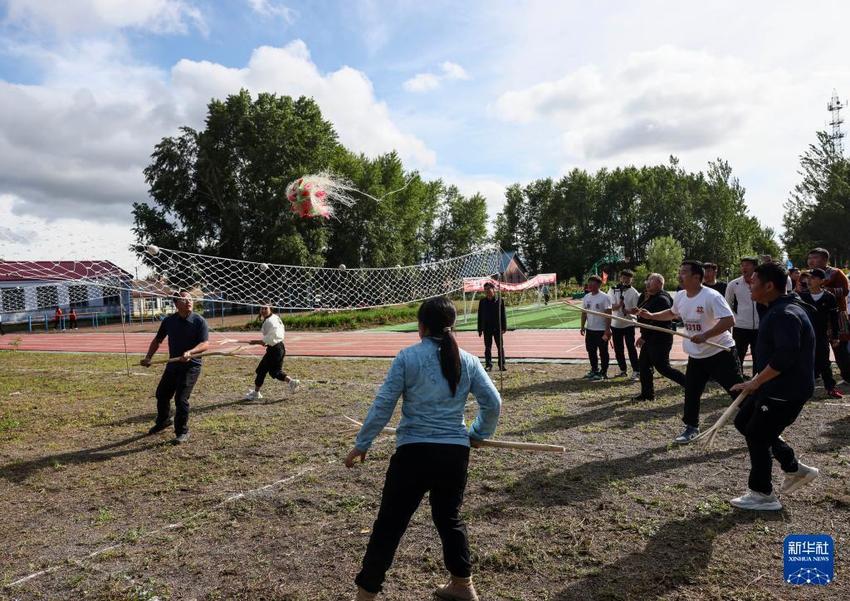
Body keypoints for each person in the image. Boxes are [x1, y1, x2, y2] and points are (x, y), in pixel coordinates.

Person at [345, 297, 501, 601]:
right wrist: (479, 433)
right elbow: (493, 403)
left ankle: (365, 595)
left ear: (421, 326)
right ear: (451, 325)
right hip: (453, 454)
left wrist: (362, 443)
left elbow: (383, 405)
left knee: (390, 524)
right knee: (448, 517)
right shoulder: (468, 360)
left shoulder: (407, 357)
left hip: (414, 454)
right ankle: (463, 584)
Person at [728, 262, 819, 511]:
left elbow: (785, 357)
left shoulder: (785, 314)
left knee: (757, 434)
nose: (749, 285)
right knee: (743, 422)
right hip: (772, 387)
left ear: (769, 286)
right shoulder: (776, 307)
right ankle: (793, 467)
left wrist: (755, 381)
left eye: (754, 281)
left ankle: (763, 494)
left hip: (785, 391)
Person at [639, 260, 741, 443]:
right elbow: (672, 313)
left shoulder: (712, 296)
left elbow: (729, 320)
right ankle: (691, 428)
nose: (679, 275)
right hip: (697, 355)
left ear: (697, 277)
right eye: (679, 271)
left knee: (737, 391)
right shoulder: (680, 296)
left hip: (721, 352)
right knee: (692, 392)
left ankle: (763, 422)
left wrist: (706, 335)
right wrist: (652, 316)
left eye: (684, 272)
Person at [140, 291, 210, 444]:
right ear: (176, 304)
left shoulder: (199, 321)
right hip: (173, 364)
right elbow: (158, 340)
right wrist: (148, 357)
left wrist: (190, 353)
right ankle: (164, 420)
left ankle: (182, 431)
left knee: (181, 398)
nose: (189, 302)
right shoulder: (169, 321)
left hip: (191, 366)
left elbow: (205, 344)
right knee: (162, 394)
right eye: (184, 300)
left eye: (190, 299)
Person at [632, 273, 686, 401]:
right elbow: (646, 317)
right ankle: (647, 394)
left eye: (651, 281)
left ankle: (690, 384)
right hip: (649, 338)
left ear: (659, 284)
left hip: (660, 338)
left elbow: (660, 321)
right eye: (648, 280)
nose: (647, 283)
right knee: (644, 365)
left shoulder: (662, 299)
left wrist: (644, 336)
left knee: (663, 368)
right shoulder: (650, 297)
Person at [807, 247, 850, 383]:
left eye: (815, 258)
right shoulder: (807, 275)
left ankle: (847, 375)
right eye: (810, 258)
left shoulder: (836, 273)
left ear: (825, 260)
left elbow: (844, 291)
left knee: (840, 347)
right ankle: (816, 375)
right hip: (816, 317)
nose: (811, 261)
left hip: (836, 315)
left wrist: (823, 289)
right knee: (816, 347)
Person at [800, 269, 843, 398]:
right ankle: (802, 389)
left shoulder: (829, 297)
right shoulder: (802, 296)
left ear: (821, 280)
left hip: (821, 335)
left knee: (824, 362)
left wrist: (835, 336)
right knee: (804, 362)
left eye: (813, 278)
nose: (809, 280)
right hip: (804, 335)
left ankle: (830, 388)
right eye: (808, 278)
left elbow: (834, 319)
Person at [244, 305, 299, 401]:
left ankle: (256, 393)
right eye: (262, 308)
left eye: (266, 308)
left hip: (275, 350)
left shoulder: (269, 321)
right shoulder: (274, 317)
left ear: (270, 309)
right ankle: (292, 382)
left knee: (261, 370)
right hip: (279, 347)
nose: (264, 310)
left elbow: (266, 340)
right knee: (275, 372)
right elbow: (271, 338)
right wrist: (266, 342)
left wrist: (255, 342)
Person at [726, 257, 760, 371]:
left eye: (747, 265)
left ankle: (757, 380)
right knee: (738, 355)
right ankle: (737, 379)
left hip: (760, 327)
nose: (744, 267)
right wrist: (735, 319)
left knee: (759, 355)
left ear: (755, 267)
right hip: (740, 327)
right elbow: (727, 305)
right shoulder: (733, 284)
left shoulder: (762, 283)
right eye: (742, 265)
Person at [608, 269, 640, 380]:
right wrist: (619, 305)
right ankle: (623, 370)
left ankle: (636, 371)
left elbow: (636, 310)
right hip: (615, 324)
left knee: (631, 348)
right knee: (618, 349)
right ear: (620, 278)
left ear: (631, 279)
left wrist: (627, 311)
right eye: (623, 277)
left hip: (628, 324)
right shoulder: (612, 290)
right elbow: (610, 307)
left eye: (628, 278)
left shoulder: (634, 292)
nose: (625, 280)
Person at [580, 275, 612, 381]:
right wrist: (582, 326)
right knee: (591, 350)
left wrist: (607, 330)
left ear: (599, 285)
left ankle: (603, 372)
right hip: (590, 329)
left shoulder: (605, 297)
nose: (590, 286)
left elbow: (609, 314)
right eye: (589, 284)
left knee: (603, 351)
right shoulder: (586, 297)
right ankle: (594, 370)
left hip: (601, 330)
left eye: (592, 284)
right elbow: (584, 313)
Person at [476, 282, 507, 371]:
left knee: (500, 347)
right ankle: (488, 365)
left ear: (493, 289)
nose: (487, 291)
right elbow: (480, 316)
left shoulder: (500, 300)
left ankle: (502, 365)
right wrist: (480, 329)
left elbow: (503, 315)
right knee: (487, 347)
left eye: (489, 289)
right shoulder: (482, 302)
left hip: (497, 328)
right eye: (485, 289)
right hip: (487, 328)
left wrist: (504, 327)